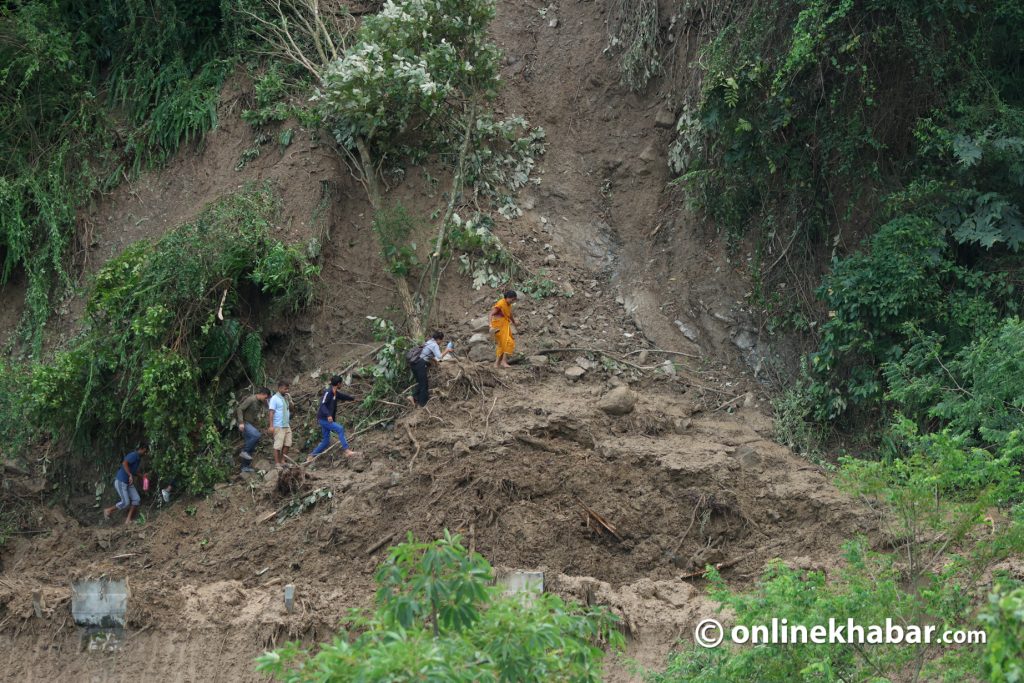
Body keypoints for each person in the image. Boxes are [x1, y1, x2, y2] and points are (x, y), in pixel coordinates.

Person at [309, 375, 358, 460]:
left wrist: (353, 399)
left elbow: (343, 396)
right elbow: (322, 405)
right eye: (341, 383)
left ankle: (311, 455)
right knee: (340, 429)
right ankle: (347, 451)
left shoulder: (335, 393)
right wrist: (328, 415)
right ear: (338, 384)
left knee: (326, 441)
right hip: (323, 418)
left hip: (325, 418)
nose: (341, 385)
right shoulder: (328, 392)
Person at [103, 443, 149, 524]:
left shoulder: (138, 458)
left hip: (128, 483)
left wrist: (142, 476)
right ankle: (108, 510)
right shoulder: (134, 455)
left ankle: (128, 520)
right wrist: (129, 475)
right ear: (141, 448)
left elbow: (134, 471)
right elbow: (124, 463)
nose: (145, 454)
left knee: (136, 499)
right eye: (145, 451)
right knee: (125, 502)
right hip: (121, 481)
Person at [409, 331, 453, 407]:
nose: (441, 342)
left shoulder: (428, 342)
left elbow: (430, 356)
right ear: (439, 339)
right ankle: (422, 404)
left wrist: (436, 363)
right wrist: (447, 350)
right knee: (424, 384)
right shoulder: (434, 345)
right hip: (420, 364)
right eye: (442, 340)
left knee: (420, 382)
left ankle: (413, 397)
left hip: (414, 363)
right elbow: (439, 356)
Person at [235, 387, 270, 473]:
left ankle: (244, 467)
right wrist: (241, 422)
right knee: (256, 435)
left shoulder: (260, 402)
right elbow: (239, 409)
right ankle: (244, 451)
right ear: (262, 394)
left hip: (250, 424)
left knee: (251, 445)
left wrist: (267, 402)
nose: (266, 399)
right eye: (266, 397)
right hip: (245, 423)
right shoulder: (251, 399)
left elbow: (268, 408)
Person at [490, 290, 518, 368]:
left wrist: (514, 322)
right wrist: (490, 325)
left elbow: (510, 314)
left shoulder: (508, 305)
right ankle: (503, 361)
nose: (512, 301)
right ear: (507, 298)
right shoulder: (501, 304)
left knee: (502, 345)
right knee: (508, 342)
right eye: (512, 299)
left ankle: (496, 364)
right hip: (498, 326)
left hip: (504, 325)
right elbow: (491, 314)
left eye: (514, 300)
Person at [268, 381, 293, 469]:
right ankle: (277, 463)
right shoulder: (274, 398)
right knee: (278, 445)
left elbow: (292, 409)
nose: (287, 390)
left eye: (287, 389)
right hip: (278, 425)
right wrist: (271, 426)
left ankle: (283, 461)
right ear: (279, 388)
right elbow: (271, 412)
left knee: (288, 443)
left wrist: (290, 400)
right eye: (285, 389)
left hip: (286, 424)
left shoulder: (286, 398)